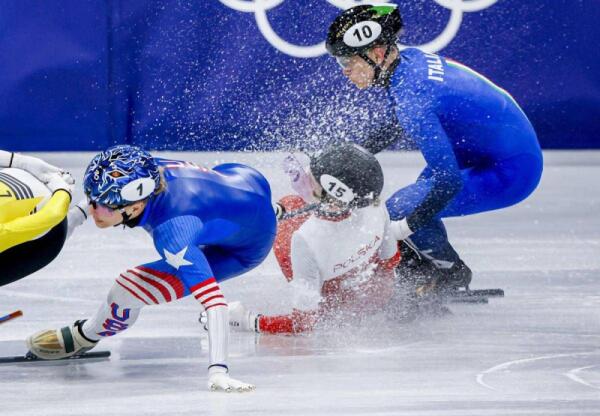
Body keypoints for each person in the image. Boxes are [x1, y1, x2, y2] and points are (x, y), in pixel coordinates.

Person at [324, 4, 543, 291]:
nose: (345, 71)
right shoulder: (407, 63)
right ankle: (428, 270)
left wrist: (401, 229)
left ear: (376, 54)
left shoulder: (414, 97)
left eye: (347, 61)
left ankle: (450, 275)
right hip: (485, 149)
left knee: (400, 209)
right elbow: (396, 125)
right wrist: (349, 155)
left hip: (512, 169)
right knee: (412, 204)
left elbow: (448, 181)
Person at [26, 145, 276, 392]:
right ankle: (268, 214)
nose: (94, 210)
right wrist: (75, 217)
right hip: (244, 179)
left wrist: (218, 371)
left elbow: (214, 303)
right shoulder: (140, 166)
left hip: (244, 249)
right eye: (91, 199)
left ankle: (85, 336)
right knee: (215, 218)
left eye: (103, 206)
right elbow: (104, 188)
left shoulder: (173, 233)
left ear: (135, 207)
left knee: (127, 289)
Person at [208, 144, 401, 334]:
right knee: (292, 205)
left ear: (333, 193)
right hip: (374, 292)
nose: (307, 173)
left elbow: (302, 323)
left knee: (287, 217)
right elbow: (391, 261)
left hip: (334, 305)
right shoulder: (374, 203)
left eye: (313, 177)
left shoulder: (305, 238)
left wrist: (249, 321)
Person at [0, 150, 87, 287]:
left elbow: (53, 216)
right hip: (23, 180)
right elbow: (53, 215)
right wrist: (63, 190)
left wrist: (19, 161)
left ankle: (78, 214)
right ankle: (81, 212)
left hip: (50, 235)